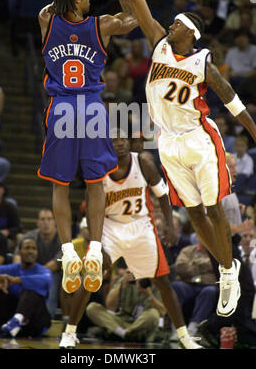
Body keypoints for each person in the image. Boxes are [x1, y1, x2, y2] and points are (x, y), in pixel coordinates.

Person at [109, 0, 256, 319]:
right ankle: (227, 266)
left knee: (214, 208)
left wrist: (255, 132)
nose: (168, 26)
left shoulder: (202, 61)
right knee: (193, 214)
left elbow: (232, 102)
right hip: (167, 142)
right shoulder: (158, 43)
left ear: (190, 33)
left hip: (198, 138)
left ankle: (227, 270)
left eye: (175, 25)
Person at [37, 0, 137, 297]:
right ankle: (94, 250)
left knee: (60, 185)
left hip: (61, 107)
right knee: (96, 183)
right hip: (92, 108)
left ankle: (68, 253)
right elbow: (135, 15)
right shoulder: (102, 25)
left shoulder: (46, 21)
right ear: (78, 0)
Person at [59, 132, 202, 349]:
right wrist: (97, 245)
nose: (120, 143)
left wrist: (168, 226)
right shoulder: (97, 168)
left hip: (141, 225)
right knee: (90, 276)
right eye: (114, 140)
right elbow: (90, 209)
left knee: (162, 282)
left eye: (123, 139)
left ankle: (184, 337)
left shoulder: (143, 161)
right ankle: (69, 333)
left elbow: (162, 195)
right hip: (109, 227)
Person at [197, 153, 256, 348]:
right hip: (221, 247)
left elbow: (224, 217)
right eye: (231, 166)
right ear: (221, 167)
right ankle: (215, 326)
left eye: (236, 166)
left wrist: (236, 213)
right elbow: (210, 224)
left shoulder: (228, 187)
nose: (236, 171)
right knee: (243, 288)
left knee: (239, 290)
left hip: (229, 246)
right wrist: (239, 228)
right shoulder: (214, 188)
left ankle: (236, 332)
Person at [0, 237, 52, 337]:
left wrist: (18, 280)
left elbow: (47, 280)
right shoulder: (10, 268)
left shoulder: (43, 271)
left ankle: (17, 320)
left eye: (34, 248)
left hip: (32, 320)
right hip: (8, 319)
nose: (30, 251)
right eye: (27, 248)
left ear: (37, 252)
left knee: (31, 289)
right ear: (19, 251)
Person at [86, 268, 166, 343]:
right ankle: (125, 334)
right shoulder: (126, 279)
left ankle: (122, 332)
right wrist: (123, 283)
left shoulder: (155, 282)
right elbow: (110, 306)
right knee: (92, 308)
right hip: (121, 320)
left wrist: (149, 295)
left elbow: (162, 312)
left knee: (153, 314)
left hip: (141, 324)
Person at [13, 208, 62, 318]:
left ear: (55, 221)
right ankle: (17, 316)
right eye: (43, 219)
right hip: (29, 272)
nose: (46, 223)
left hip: (53, 273)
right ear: (38, 222)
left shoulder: (63, 239)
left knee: (51, 278)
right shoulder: (28, 237)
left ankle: (47, 317)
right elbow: (17, 258)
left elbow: (55, 264)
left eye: (49, 219)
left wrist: (35, 276)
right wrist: (19, 273)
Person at [171, 237, 218, 336]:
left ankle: (193, 328)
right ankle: (176, 327)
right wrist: (206, 267)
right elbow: (180, 267)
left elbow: (216, 271)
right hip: (188, 285)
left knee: (210, 291)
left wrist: (194, 264)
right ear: (197, 236)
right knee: (176, 286)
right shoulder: (187, 250)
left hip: (207, 286)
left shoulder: (217, 253)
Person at [0, 176, 22, 250]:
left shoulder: (9, 207)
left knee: (20, 237)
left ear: (3, 190)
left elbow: (18, 227)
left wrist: (8, 231)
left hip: (4, 241)